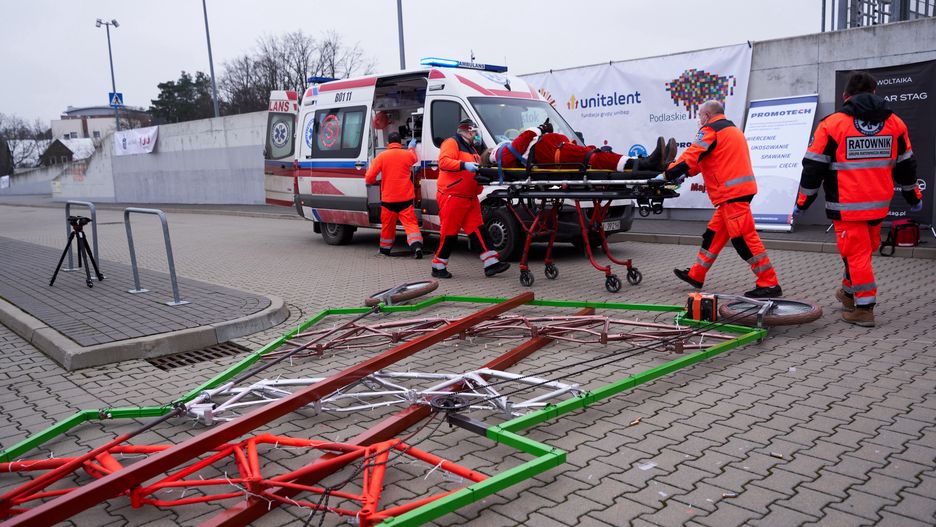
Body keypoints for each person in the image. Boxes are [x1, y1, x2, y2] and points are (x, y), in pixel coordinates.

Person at [795, 71, 922, 327]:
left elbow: (813, 168)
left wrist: (802, 203)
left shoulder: (832, 124)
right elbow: (906, 165)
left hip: (846, 207)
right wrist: (912, 196)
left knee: (856, 256)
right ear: (875, 93)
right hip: (879, 205)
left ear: (845, 96)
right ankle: (848, 292)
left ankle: (864, 309)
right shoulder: (895, 123)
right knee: (863, 252)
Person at [661, 100, 782, 298]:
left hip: (731, 195)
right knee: (713, 236)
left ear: (707, 116)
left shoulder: (710, 130)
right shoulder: (731, 131)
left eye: (700, 116)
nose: (699, 120)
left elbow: (692, 155)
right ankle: (696, 275)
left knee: (744, 239)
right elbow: (706, 160)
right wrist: (684, 173)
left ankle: (769, 283)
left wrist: (668, 174)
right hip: (737, 193)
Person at [431, 118, 510, 279]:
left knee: (478, 230)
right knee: (449, 233)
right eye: (474, 132)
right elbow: (444, 162)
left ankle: (491, 263)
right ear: (467, 131)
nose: (476, 135)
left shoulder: (472, 148)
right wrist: (463, 165)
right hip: (453, 195)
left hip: (469, 197)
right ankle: (438, 265)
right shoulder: (451, 142)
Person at [480, 119, 676, 174]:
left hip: (553, 148)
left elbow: (518, 146)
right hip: (549, 153)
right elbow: (515, 149)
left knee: (596, 153)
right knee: (593, 157)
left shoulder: (501, 149)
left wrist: (542, 132)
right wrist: (536, 130)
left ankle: (647, 163)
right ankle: (645, 164)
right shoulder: (497, 155)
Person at [365, 132, 423, 258]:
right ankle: (416, 246)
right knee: (410, 224)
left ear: (388, 144)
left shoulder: (382, 156)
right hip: (405, 198)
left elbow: (369, 177)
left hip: (388, 199)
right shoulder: (407, 154)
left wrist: (373, 182)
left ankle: (385, 251)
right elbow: (414, 157)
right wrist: (411, 147)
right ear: (400, 143)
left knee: (387, 226)